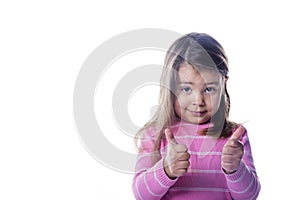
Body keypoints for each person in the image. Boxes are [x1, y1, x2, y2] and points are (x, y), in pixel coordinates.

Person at [132, 33, 260, 199]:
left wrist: (235, 169)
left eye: (209, 89)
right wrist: (166, 170)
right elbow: (141, 195)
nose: (198, 101)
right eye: (186, 89)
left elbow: (249, 196)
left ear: (224, 84)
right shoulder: (154, 135)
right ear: (169, 86)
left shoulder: (234, 137)